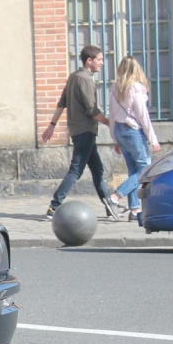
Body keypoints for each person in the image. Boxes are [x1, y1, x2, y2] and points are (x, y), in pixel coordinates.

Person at [41, 45, 121, 218]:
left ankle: (109, 205)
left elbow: (61, 103)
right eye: (99, 60)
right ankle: (54, 207)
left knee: (97, 169)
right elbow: (92, 110)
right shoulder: (85, 80)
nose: (102, 63)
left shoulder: (73, 77)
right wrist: (110, 123)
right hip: (85, 131)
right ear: (89, 61)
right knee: (76, 170)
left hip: (80, 131)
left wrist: (52, 125)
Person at [107, 56, 160, 222]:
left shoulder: (115, 88)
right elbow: (143, 116)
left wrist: (114, 137)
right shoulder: (135, 88)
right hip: (132, 131)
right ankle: (115, 197)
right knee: (144, 169)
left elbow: (112, 115)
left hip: (120, 130)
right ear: (136, 70)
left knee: (133, 169)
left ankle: (135, 209)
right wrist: (153, 139)